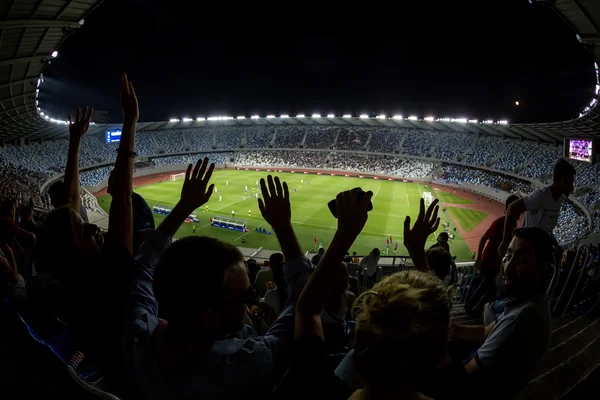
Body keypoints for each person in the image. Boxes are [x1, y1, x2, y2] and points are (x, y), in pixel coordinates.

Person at [125, 174, 312, 399]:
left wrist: (184, 206)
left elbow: (146, 264)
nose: (249, 301)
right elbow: (305, 300)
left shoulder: (138, 333)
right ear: (210, 315)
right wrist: (283, 227)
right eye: (244, 296)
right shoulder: (250, 362)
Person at [294, 195, 452, 400]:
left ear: (355, 340)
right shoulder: (450, 385)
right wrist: (418, 253)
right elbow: (437, 313)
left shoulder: (320, 390)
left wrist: (344, 236)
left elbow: (307, 311)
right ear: (440, 353)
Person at [454, 226, 554, 399]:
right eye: (509, 255)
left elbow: (466, 375)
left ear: (543, 270)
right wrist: (450, 328)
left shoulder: (520, 320)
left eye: (522, 259)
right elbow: (485, 331)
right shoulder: (529, 301)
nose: (507, 268)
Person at [499, 159, 575, 260]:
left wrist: (556, 245)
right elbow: (512, 208)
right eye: (571, 182)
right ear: (563, 181)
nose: (572, 187)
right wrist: (505, 241)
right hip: (525, 253)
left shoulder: (558, 200)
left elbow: (545, 230)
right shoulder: (542, 195)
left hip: (537, 253)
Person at [466, 194, 520, 316]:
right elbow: (483, 239)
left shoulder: (513, 225)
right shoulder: (500, 222)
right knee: (490, 290)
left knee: (483, 286)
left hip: (495, 264)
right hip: (488, 262)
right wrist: (479, 259)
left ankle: (469, 306)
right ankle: (475, 311)